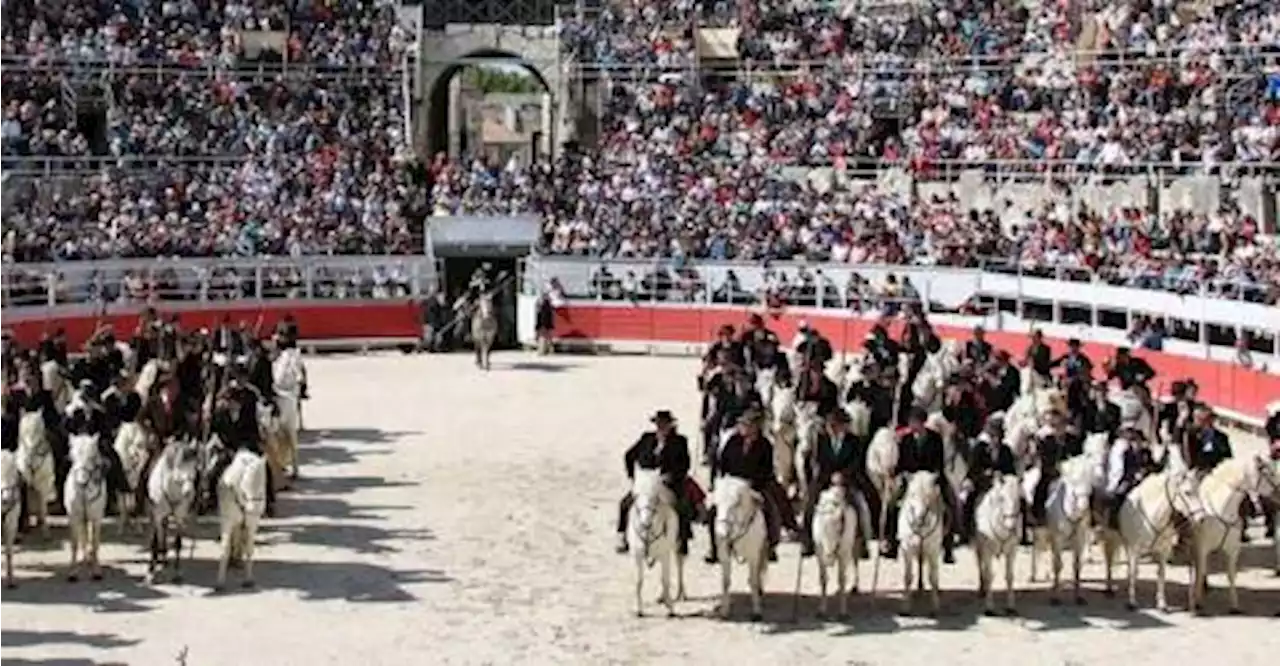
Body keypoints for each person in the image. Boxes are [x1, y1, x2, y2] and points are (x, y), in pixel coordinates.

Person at [707, 409, 796, 564]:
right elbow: (723, 463)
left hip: (755, 484)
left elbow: (767, 469)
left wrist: (753, 482)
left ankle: (770, 544)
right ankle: (715, 548)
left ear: (756, 427)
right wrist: (726, 480)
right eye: (743, 425)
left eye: (748, 425)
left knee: (771, 507)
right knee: (713, 511)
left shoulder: (765, 444)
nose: (744, 428)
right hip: (733, 484)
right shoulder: (733, 441)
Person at [615, 410, 697, 555]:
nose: (661, 427)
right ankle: (622, 537)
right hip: (646, 482)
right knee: (625, 504)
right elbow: (629, 455)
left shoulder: (679, 441)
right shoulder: (647, 438)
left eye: (664, 424)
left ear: (670, 425)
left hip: (668, 484)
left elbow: (685, 464)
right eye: (659, 424)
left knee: (682, 508)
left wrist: (671, 476)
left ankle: (682, 541)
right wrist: (633, 476)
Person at [883, 407, 958, 563]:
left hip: (931, 477)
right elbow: (901, 463)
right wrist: (894, 471)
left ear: (922, 422)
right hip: (911, 479)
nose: (912, 424)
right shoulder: (905, 439)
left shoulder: (935, 438)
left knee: (950, 502)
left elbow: (939, 462)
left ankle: (948, 545)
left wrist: (935, 476)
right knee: (891, 503)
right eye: (911, 421)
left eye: (915, 421)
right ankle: (891, 541)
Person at [800, 408, 872, 559]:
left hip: (848, 478)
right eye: (830, 425)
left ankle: (862, 541)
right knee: (809, 503)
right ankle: (807, 541)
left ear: (844, 426)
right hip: (825, 478)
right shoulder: (820, 440)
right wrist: (830, 476)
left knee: (860, 504)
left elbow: (856, 462)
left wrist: (843, 475)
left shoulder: (854, 441)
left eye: (836, 425)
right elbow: (818, 461)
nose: (832, 428)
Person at [206, 373, 277, 517]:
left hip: (246, 445)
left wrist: (248, 445)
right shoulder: (220, 413)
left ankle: (269, 500)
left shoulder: (248, 410)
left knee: (265, 467)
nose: (234, 406)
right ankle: (210, 498)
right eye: (231, 403)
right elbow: (215, 431)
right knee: (214, 469)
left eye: (236, 404)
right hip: (227, 447)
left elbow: (253, 429)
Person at [962, 416, 1017, 542]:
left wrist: (1003, 475)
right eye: (993, 435)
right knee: (968, 500)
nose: (995, 439)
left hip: (1002, 485)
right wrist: (985, 474)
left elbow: (1011, 470)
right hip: (983, 484)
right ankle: (967, 532)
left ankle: (1021, 532)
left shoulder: (1006, 450)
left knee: (1018, 500)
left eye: (997, 436)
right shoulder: (979, 448)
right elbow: (973, 469)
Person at [1103, 421, 1158, 529]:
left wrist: (1146, 470)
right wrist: (1134, 475)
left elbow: (1153, 466)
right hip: (1131, 479)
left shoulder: (1146, 452)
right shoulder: (1126, 452)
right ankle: (1113, 521)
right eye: (1131, 438)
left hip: (1145, 479)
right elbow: (1125, 469)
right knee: (1119, 494)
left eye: (1135, 437)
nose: (1135, 441)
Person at [1051, 338, 1094, 413]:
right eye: (1072, 346)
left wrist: (1075, 378)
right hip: (1065, 381)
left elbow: (1086, 371)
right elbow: (1054, 364)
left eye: (1075, 346)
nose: (1073, 348)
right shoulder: (1066, 357)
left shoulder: (1083, 359)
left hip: (1078, 382)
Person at [981, 350, 1021, 414]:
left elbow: (1006, 389)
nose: (992, 362)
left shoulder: (1012, 372)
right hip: (993, 404)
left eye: (994, 359)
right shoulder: (993, 369)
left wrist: (991, 379)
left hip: (1006, 404)